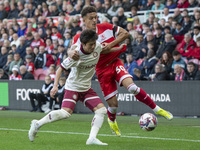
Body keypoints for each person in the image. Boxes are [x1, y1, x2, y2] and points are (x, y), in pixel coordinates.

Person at [69, 6, 173, 137]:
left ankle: (157, 109)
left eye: (96, 17)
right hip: (101, 71)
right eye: (91, 18)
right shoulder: (79, 38)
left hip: (115, 63)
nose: (95, 20)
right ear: (84, 20)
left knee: (132, 87)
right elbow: (72, 50)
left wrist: (112, 45)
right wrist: (71, 53)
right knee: (113, 105)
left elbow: (125, 34)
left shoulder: (106, 27)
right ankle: (112, 120)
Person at [28, 29, 124, 145]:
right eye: (90, 45)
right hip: (73, 87)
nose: (93, 46)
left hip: (86, 88)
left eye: (94, 43)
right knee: (65, 113)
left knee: (101, 110)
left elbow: (104, 50)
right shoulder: (76, 55)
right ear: (83, 44)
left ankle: (91, 139)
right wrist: (55, 86)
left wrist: (118, 48)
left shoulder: (96, 46)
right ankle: (37, 124)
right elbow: (59, 70)